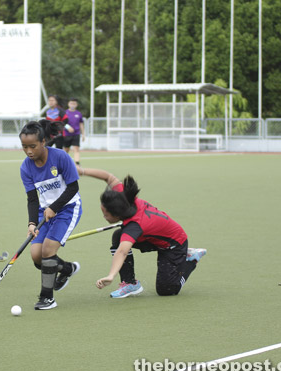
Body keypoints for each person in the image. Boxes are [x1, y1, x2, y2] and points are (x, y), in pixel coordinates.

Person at [77, 167, 207, 298]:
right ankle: (130, 283)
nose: (104, 217)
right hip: (154, 238)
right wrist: (82, 171)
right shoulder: (123, 198)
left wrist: (111, 275)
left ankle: (190, 259)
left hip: (174, 244)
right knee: (118, 236)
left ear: (117, 214)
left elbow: (122, 252)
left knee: (166, 290)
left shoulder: (134, 226)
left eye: (106, 215)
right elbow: (109, 177)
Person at [20, 119, 82, 310]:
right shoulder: (26, 167)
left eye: (33, 146)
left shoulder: (61, 157)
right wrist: (31, 223)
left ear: (43, 142)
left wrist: (54, 207)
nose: (29, 151)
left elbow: (73, 187)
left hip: (68, 208)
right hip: (44, 211)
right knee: (37, 256)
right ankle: (68, 268)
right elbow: (32, 199)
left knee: (47, 252)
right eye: (24, 147)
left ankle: (47, 298)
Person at [62, 98, 85, 165]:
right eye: (71, 103)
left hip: (76, 134)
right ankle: (63, 163)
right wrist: (68, 127)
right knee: (66, 149)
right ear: (68, 104)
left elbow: (81, 124)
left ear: (76, 105)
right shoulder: (65, 113)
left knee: (76, 148)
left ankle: (77, 164)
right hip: (67, 134)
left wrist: (83, 134)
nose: (73, 105)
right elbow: (62, 122)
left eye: (74, 103)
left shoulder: (79, 113)